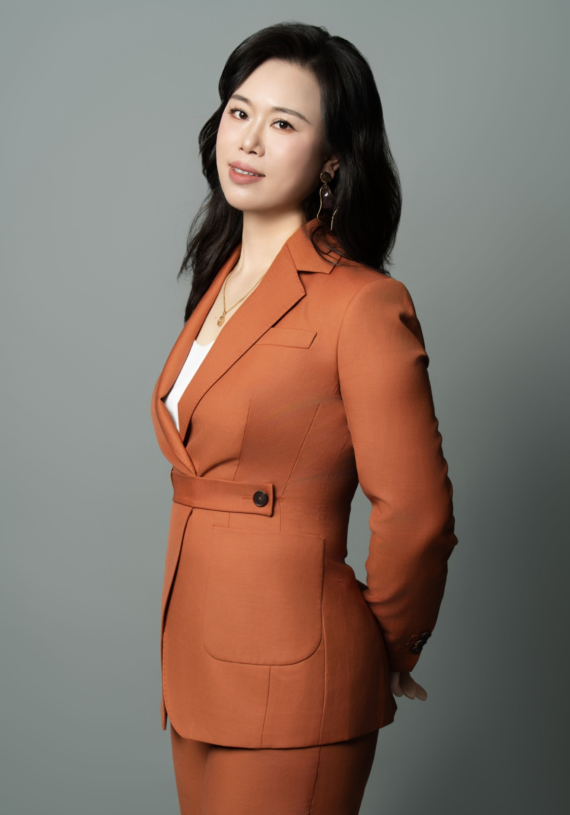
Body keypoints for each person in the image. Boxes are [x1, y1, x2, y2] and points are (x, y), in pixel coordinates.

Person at [150, 21, 458, 815]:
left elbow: (417, 512)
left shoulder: (362, 304)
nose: (249, 139)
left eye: (284, 123)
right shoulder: (218, 281)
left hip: (297, 674)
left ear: (332, 159)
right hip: (196, 664)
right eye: (240, 111)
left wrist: (388, 647)